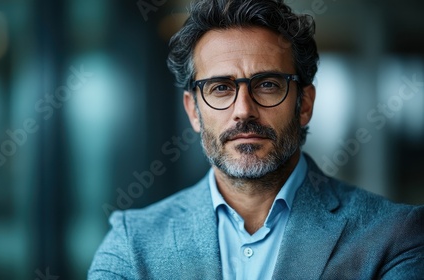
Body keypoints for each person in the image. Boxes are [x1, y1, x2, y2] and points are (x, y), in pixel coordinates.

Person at [88, 0, 424, 279]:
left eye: (267, 85)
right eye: (220, 88)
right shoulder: (133, 243)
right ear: (193, 111)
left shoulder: (393, 237)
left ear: (304, 104)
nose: (243, 111)